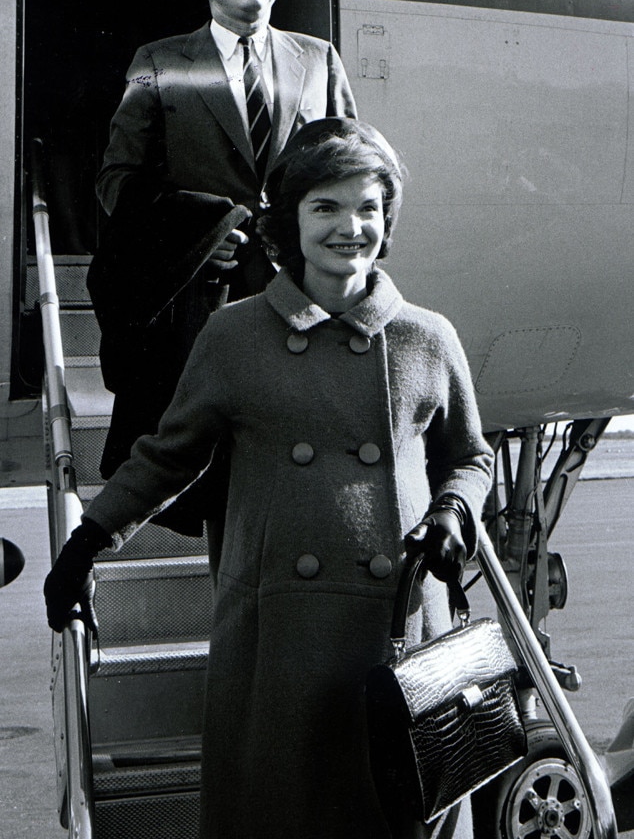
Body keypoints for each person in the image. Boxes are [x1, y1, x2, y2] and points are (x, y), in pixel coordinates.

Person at [46, 118, 493, 839]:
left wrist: (452, 511)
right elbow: (168, 455)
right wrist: (87, 543)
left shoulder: (427, 337)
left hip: (400, 639)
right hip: (278, 645)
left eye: (368, 207)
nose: (351, 227)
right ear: (290, 221)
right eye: (326, 207)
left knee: (398, 813)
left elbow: (471, 458)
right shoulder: (236, 336)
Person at [89, 0, 357, 483]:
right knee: (211, 477)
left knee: (294, 464)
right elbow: (117, 182)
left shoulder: (319, 60)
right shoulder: (156, 63)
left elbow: (354, 172)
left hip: (299, 299)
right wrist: (196, 234)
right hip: (202, 311)